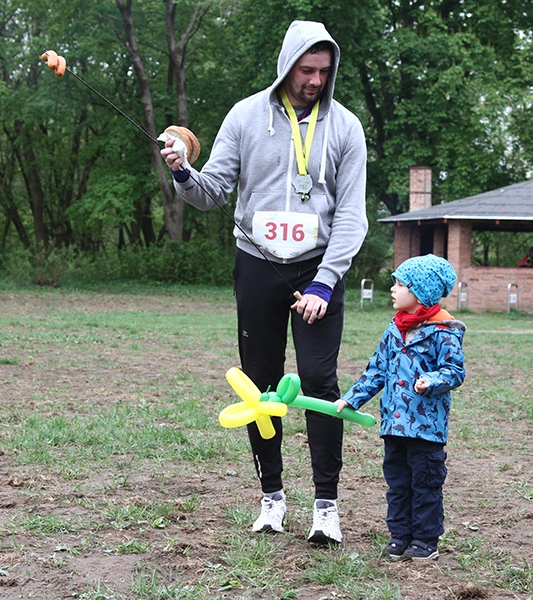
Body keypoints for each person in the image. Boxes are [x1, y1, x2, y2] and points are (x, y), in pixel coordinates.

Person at [160, 21, 368, 545]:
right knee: (261, 387)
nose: (316, 80)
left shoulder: (345, 127)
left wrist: (325, 282)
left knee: (320, 384)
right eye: (307, 69)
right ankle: (271, 499)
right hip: (257, 262)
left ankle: (326, 508)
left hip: (317, 268)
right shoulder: (246, 116)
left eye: (324, 71)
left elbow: (351, 215)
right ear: (287, 64)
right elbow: (212, 193)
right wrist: (184, 172)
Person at [334, 255, 465, 562]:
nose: (393, 289)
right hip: (394, 426)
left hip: (426, 429)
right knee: (397, 484)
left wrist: (430, 381)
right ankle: (400, 536)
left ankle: (424, 539)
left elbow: (454, 372)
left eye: (400, 284)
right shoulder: (394, 329)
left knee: (426, 483)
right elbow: (376, 371)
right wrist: (351, 398)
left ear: (421, 292)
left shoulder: (443, 331)